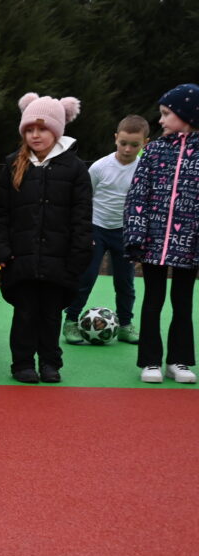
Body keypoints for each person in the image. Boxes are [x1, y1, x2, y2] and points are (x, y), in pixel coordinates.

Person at [0, 93, 93, 384]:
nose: (36, 135)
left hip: (58, 259)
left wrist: (78, 256)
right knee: (24, 313)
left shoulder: (74, 169)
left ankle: (50, 362)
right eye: (30, 129)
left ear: (57, 130)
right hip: (20, 258)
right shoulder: (12, 165)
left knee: (50, 314)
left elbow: (82, 217)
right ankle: (22, 363)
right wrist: (2, 251)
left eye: (42, 129)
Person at [124, 83, 199, 384]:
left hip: (189, 245)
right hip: (154, 242)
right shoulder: (153, 151)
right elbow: (137, 195)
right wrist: (136, 236)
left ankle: (179, 361)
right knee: (152, 300)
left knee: (183, 302)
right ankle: (150, 360)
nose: (161, 120)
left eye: (167, 114)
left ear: (187, 115)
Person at [63, 115, 149, 346]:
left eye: (135, 144)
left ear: (145, 143)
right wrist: (82, 232)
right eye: (123, 143)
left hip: (125, 232)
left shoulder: (143, 169)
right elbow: (84, 200)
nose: (128, 149)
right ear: (115, 139)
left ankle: (125, 325)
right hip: (96, 229)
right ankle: (71, 320)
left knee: (125, 281)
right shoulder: (100, 167)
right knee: (86, 277)